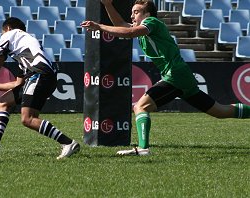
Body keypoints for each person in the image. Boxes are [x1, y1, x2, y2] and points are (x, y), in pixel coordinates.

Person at [81, 0, 250, 156]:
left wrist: (100, 27)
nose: (132, 15)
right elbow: (121, 26)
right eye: (132, 12)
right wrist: (108, 5)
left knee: (141, 107)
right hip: (181, 75)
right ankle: (143, 148)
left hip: (175, 75)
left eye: (136, 12)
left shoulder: (151, 23)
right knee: (220, 111)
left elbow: (129, 32)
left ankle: (143, 148)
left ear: (147, 15)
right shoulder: (144, 29)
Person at [0, 17, 80, 160]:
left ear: (8, 28)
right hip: (46, 76)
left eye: (2, 32)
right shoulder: (25, 46)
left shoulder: (9, 35)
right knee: (3, 102)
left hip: (39, 75)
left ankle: (68, 143)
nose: (2, 35)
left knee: (28, 119)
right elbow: (18, 83)